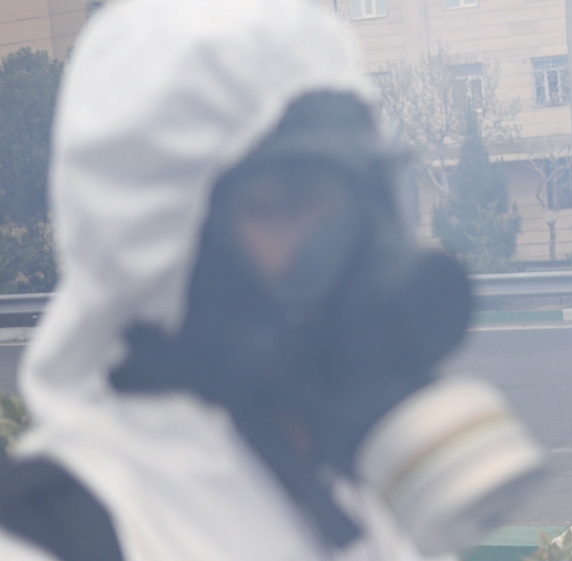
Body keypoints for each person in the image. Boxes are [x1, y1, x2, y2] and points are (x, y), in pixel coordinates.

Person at [0, 0, 542, 558]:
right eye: (288, 201)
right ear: (157, 244)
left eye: (365, 197)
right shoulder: (62, 537)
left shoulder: (357, 500)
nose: (354, 249)